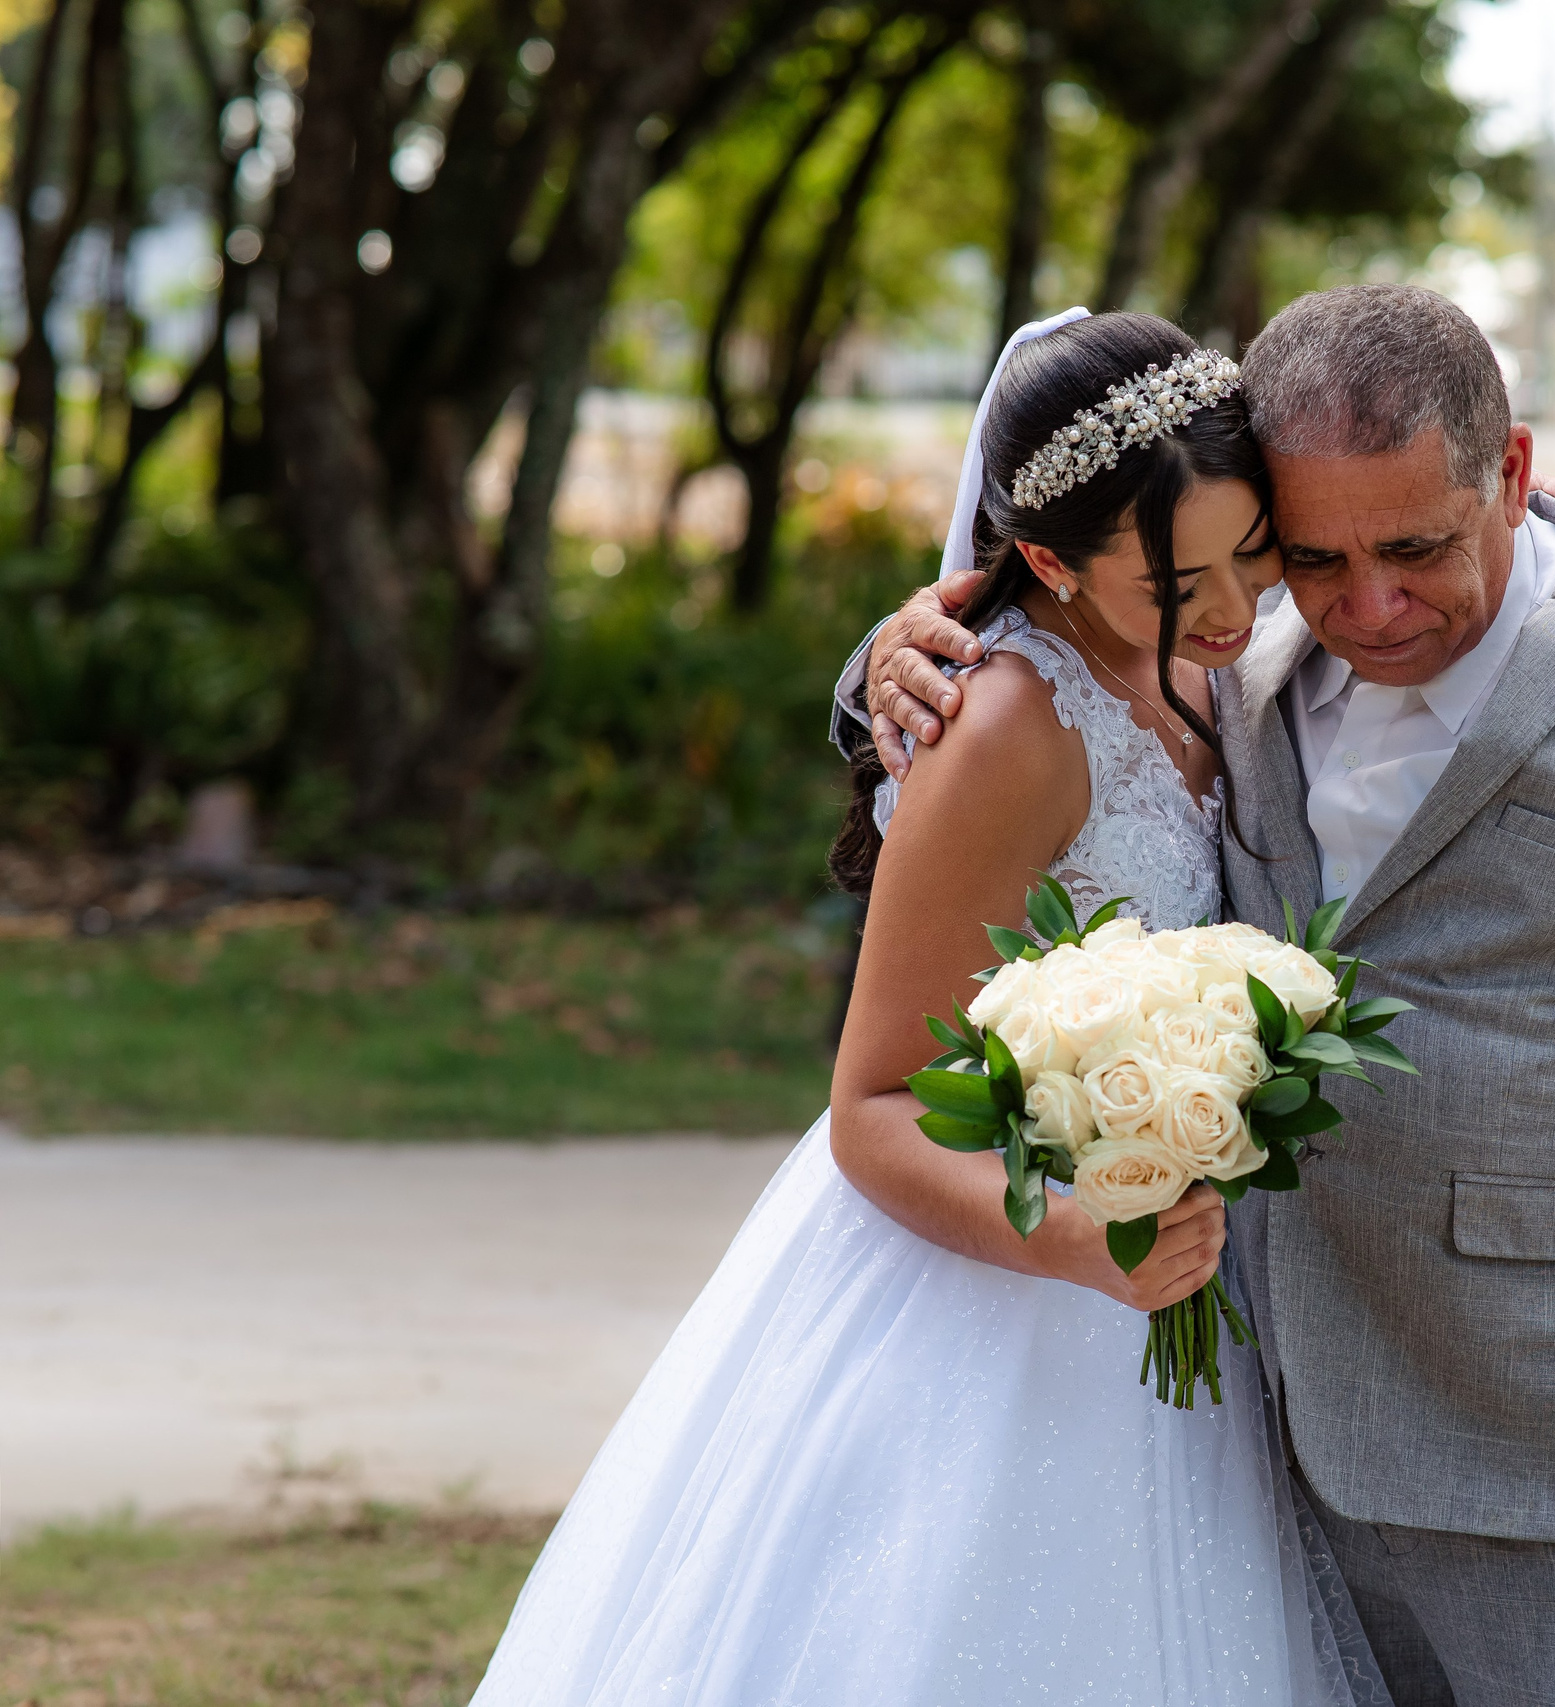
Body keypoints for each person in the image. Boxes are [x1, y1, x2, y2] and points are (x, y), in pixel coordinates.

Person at [858, 283, 1555, 1707]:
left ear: (1520, 477)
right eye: (1316, 556)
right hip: (1271, 1457)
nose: (1369, 605)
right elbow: (1061, 670)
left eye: (1419, 546)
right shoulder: (1242, 666)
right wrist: (883, 660)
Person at [469, 310, 1385, 1707]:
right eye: (1175, 581)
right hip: (1012, 1288)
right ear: (1044, 560)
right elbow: (871, 1108)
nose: (1228, 615)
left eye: (1251, 551)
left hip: (1180, 1263)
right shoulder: (1010, 729)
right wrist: (1084, 1242)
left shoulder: (1206, 664)